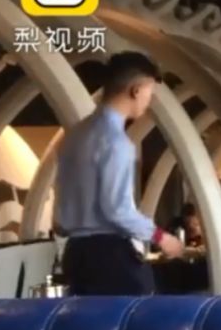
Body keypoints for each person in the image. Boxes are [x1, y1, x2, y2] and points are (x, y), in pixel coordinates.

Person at [54, 51, 184, 295]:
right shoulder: (116, 143)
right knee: (139, 316)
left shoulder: (73, 136)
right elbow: (116, 210)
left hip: (75, 254)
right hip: (110, 256)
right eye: (149, 93)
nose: (148, 101)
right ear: (136, 90)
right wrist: (161, 237)